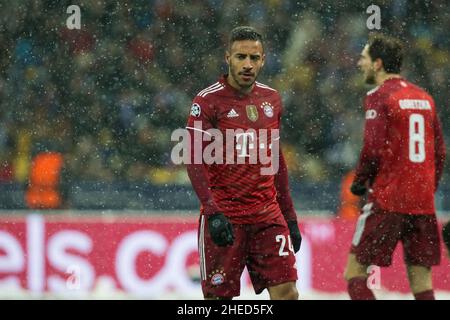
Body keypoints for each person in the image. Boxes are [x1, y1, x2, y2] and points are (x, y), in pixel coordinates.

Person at [185, 26, 301, 300]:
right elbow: (193, 159)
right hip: (226, 217)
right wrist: (212, 211)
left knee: (287, 293)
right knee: (218, 299)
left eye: (254, 57)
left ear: (263, 59)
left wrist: (290, 216)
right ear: (228, 58)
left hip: (267, 216)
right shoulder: (207, 100)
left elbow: (277, 161)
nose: (247, 64)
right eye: (240, 57)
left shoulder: (271, 98)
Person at [344, 33, 446, 300]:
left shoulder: (379, 96)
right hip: (422, 204)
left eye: (363, 58)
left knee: (355, 273)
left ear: (378, 64)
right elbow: (440, 152)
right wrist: (427, 189)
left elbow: (373, 148)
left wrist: (361, 180)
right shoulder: (425, 98)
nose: (359, 63)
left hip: (388, 200)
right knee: (422, 282)